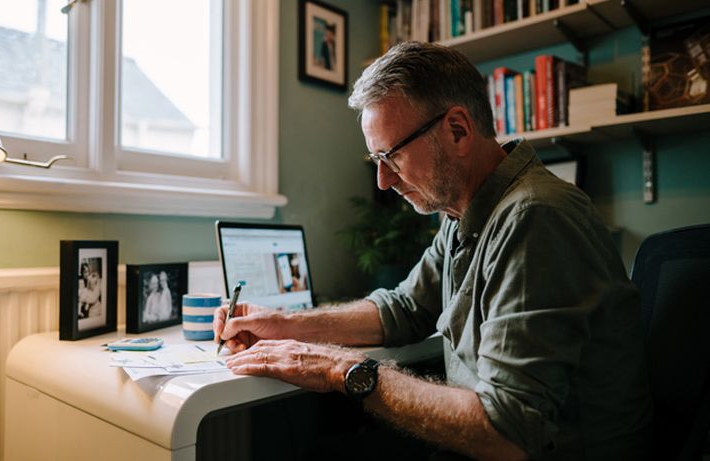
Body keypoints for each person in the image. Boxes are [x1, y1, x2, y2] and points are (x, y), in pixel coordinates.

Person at [215, 41, 651, 460]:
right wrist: (283, 325)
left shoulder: (535, 218)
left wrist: (338, 368)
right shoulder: (464, 212)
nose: (383, 181)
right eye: (376, 161)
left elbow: (508, 432)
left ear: (457, 130)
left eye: (391, 156)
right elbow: (404, 309)